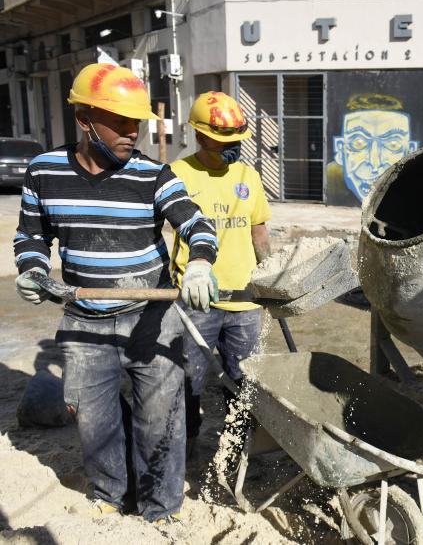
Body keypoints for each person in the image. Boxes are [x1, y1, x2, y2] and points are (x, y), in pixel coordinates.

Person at [13, 63, 218, 523]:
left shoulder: (153, 174)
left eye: (137, 122)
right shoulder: (43, 172)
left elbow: (196, 223)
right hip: (84, 319)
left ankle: (160, 508)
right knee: (94, 418)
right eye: (121, 121)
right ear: (84, 119)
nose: (133, 131)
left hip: (151, 316)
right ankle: (109, 494)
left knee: (160, 418)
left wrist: (201, 260)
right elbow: (30, 236)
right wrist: (31, 269)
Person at [169, 91, 272, 455]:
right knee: (187, 378)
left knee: (244, 381)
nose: (232, 147)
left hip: (244, 301)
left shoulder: (249, 175)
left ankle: (239, 449)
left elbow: (258, 230)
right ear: (199, 135)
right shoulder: (178, 175)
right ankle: (187, 444)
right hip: (197, 300)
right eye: (222, 139)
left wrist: (270, 274)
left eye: (236, 140)